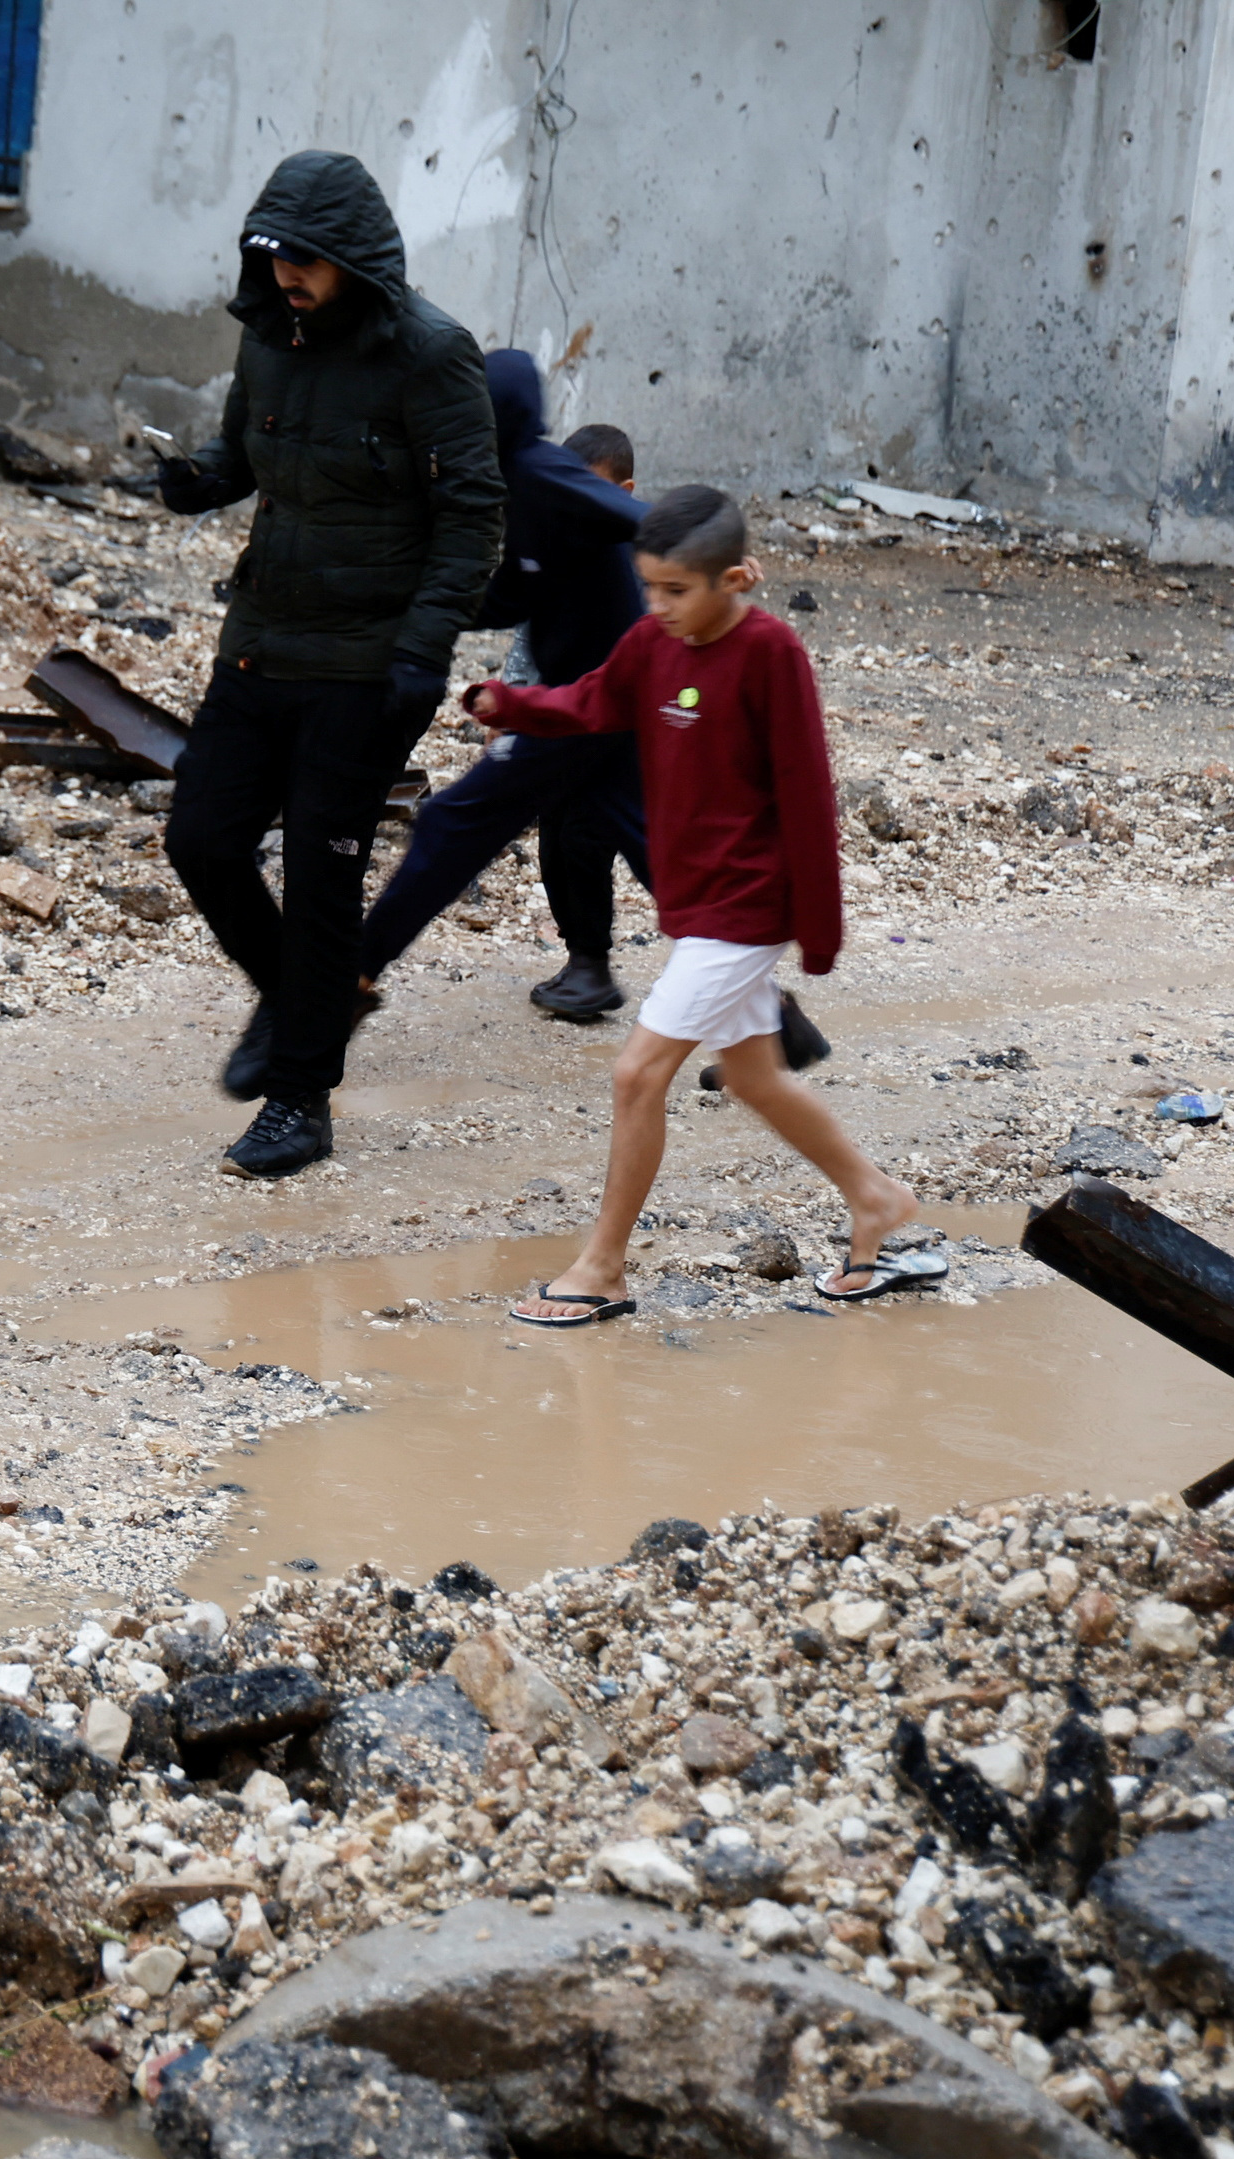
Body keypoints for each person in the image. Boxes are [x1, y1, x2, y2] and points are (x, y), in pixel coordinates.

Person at [459, 484, 934, 1323]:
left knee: (637, 1073)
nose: (658, 606)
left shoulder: (770, 653)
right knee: (755, 1079)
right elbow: (593, 701)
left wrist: (817, 934)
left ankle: (602, 1267)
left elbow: (806, 796)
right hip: (697, 907)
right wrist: (512, 703)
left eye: (676, 590)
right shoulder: (651, 643)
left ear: (736, 578)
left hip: (745, 909)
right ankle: (874, 1197)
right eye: (649, 588)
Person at [154, 150, 505, 1180]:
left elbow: (473, 512)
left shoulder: (431, 355)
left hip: (369, 664)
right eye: (270, 260)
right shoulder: (268, 338)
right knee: (201, 840)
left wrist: (423, 646)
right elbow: (237, 460)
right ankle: (316, 1001)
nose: (284, 279)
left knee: (318, 875)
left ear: (350, 259)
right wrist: (192, 484)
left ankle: (297, 1100)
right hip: (263, 638)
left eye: (302, 262)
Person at [354, 354, 651, 1022]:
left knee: (451, 821)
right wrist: (421, 606)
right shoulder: (513, 484)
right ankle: (763, 1012)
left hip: (590, 704)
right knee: (655, 852)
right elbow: (517, 590)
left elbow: (644, 518)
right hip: (597, 703)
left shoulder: (544, 473)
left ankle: (352, 975)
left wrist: (714, 555)